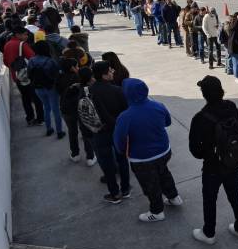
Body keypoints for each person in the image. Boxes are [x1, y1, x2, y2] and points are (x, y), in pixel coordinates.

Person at [189, 76, 238, 244]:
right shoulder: (232, 107)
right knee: (234, 193)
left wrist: (208, 152)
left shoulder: (200, 118)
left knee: (209, 198)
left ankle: (209, 233)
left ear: (204, 94)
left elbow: (195, 150)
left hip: (212, 166)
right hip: (232, 161)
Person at [115, 78, 181, 221]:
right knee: (164, 174)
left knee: (150, 184)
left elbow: (119, 141)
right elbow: (167, 122)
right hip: (164, 151)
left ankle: (157, 212)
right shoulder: (158, 105)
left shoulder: (125, 117)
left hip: (142, 159)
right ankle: (174, 197)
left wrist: (121, 152)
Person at [89, 61, 131, 204]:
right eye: (110, 71)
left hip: (99, 132)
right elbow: (126, 112)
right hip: (117, 130)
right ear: (104, 75)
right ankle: (125, 189)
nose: (112, 72)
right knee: (122, 160)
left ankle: (114, 193)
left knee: (107, 164)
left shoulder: (89, 91)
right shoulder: (117, 90)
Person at [58, 61, 96, 166]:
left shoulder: (72, 86)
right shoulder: (89, 89)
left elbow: (60, 93)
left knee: (72, 132)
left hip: (68, 111)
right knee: (86, 134)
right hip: (81, 112)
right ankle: (90, 157)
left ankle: (75, 155)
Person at [3, 27, 43, 126]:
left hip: (16, 76)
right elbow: (33, 58)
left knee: (25, 98)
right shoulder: (22, 44)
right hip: (27, 75)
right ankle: (40, 118)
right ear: (18, 35)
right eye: (25, 34)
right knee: (36, 97)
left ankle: (29, 118)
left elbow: (5, 61)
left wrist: (15, 69)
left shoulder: (7, 45)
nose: (27, 36)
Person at [26, 42, 65, 138]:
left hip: (38, 88)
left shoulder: (31, 60)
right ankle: (59, 131)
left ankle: (49, 129)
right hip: (51, 87)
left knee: (46, 108)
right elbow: (57, 73)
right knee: (56, 109)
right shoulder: (50, 61)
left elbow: (29, 75)